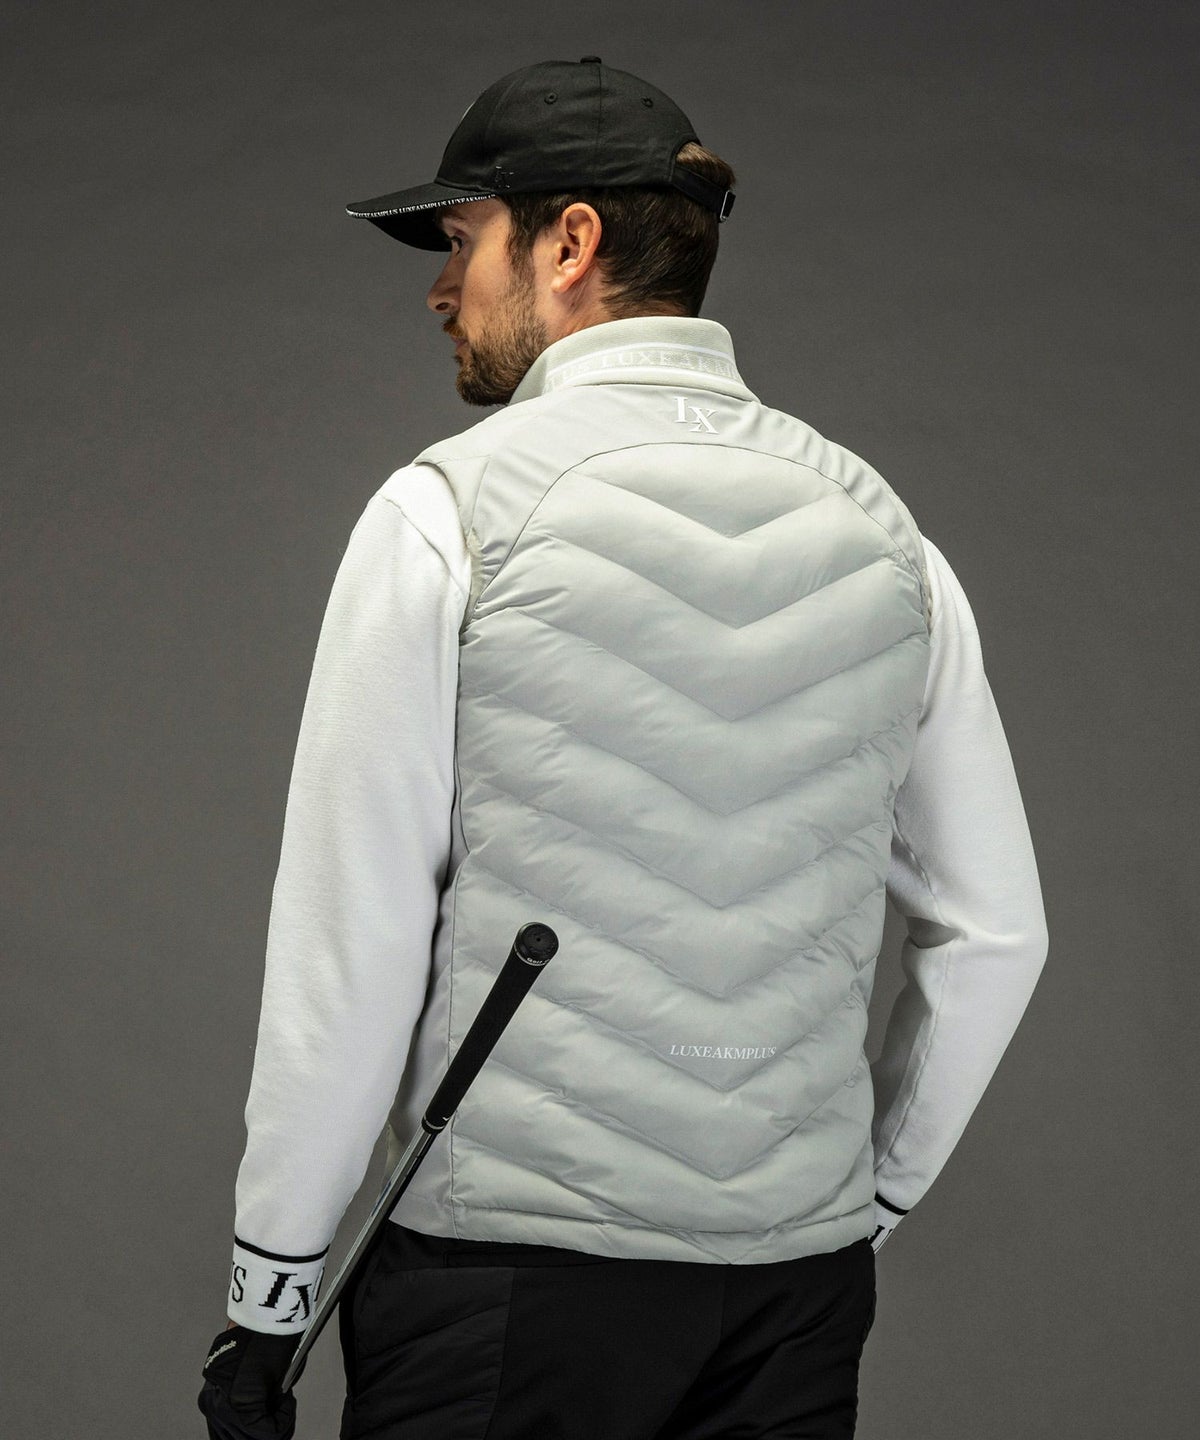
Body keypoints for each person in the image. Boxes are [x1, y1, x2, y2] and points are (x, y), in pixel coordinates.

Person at [198, 57, 1048, 1440]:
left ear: (570, 242)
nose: (439, 289)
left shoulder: (446, 516)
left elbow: (349, 949)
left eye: (462, 240)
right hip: (793, 1298)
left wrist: (271, 1296)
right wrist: (868, 1200)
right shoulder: (890, 536)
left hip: (503, 1289)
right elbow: (997, 934)